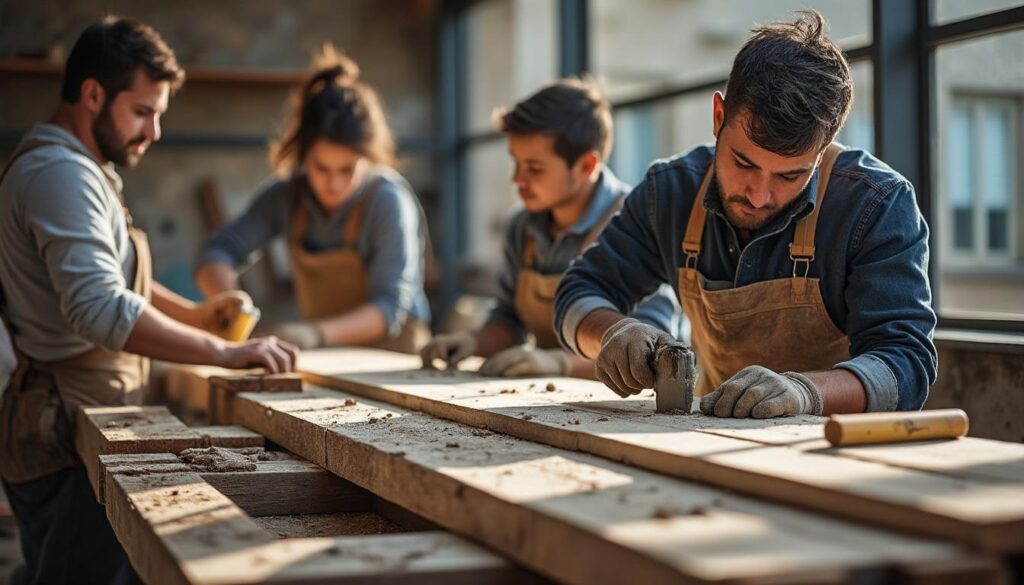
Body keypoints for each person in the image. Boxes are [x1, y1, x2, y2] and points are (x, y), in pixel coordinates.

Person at [0, 17, 296, 585]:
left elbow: (111, 278)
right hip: (63, 424)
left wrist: (194, 314)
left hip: (79, 412)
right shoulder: (60, 175)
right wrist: (223, 352)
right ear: (92, 94)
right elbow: (100, 308)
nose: (155, 131)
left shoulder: (84, 170)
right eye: (143, 111)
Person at [554, 11, 936, 417]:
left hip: (833, 450)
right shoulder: (668, 192)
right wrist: (614, 331)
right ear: (719, 117)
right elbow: (577, 293)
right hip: (705, 438)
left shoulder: (876, 205)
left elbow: (907, 364)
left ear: (823, 149)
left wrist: (806, 393)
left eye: (790, 175)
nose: (759, 195)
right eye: (744, 163)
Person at [421, 79, 681, 378]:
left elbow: (654, 350)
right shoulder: (523, 227)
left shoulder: (635, 222)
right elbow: (509, 320)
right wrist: (473, 341)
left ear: (586, 166)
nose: (517, 179)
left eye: (534, 168)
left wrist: (559, 363)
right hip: (547, 398)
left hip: (623, 408)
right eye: (516, 163)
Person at [195, 46, 431, 353]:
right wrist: (231, 306)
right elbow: (217, 252)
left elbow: (389, 308)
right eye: (321, 168)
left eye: (347, 170)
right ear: (303, 155)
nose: (334, 183)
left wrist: (313, 334)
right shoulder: (286, 196)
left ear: (368, 158)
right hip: (326, 354)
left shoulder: (388, 201)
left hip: (394, 354)